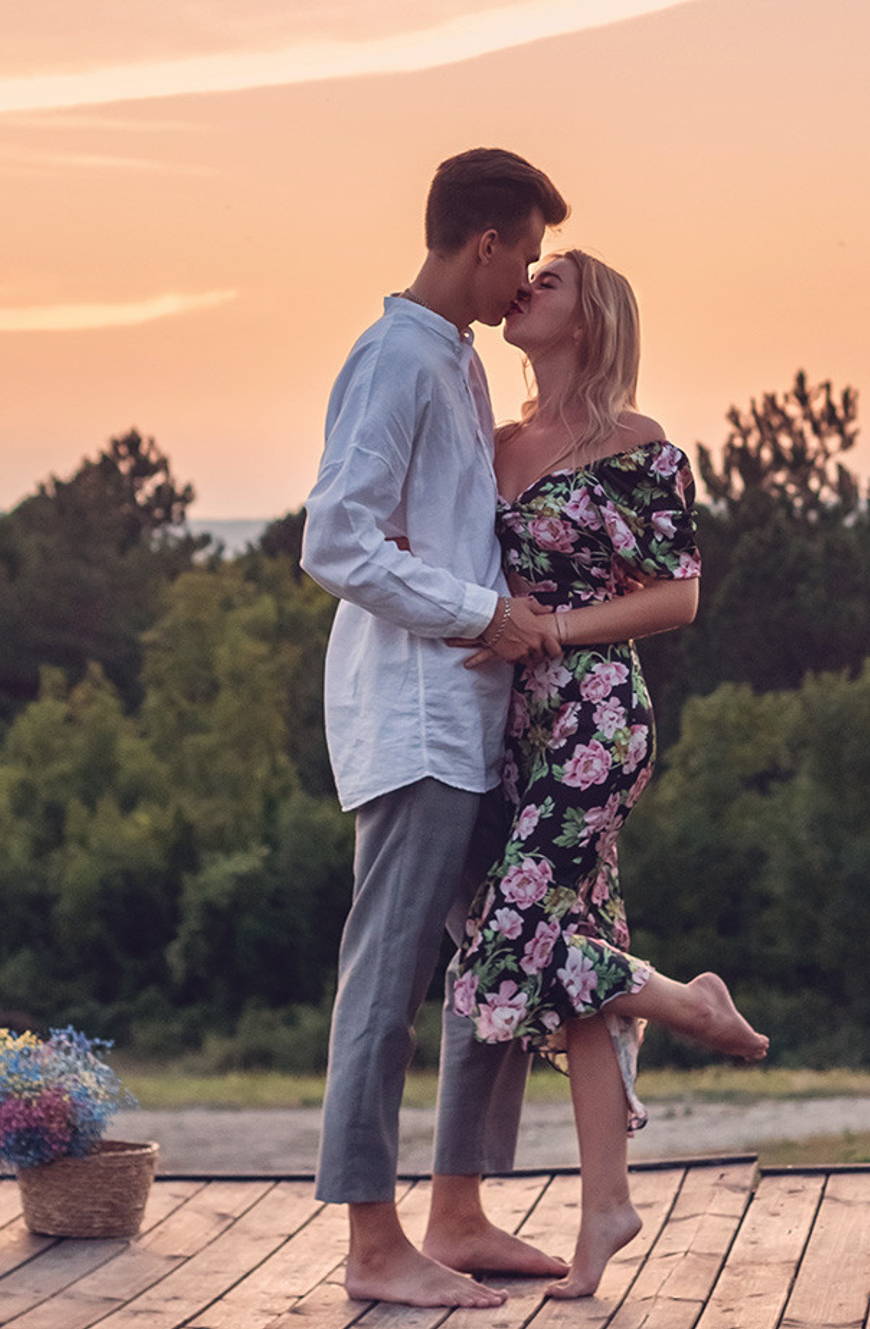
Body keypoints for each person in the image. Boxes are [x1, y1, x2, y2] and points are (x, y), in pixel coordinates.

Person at [448, 249, 770, 1299]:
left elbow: (676, 599)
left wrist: (550, 630)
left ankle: (685, 1004)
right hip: (521, 725)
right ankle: (607, 1208)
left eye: (551, 279)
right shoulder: (492, 445)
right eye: (526, 273)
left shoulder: (635, 443)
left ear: (591, 317)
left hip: (596, 711)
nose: (527, 285)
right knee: (571, 956)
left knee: (513, 933)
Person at [300, 148, 574, 1309]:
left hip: (472, 718)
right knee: (391, 972)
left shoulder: (454, 363)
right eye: (528, 254)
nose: (531, 280)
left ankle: (456, 1210)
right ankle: (373, 1241)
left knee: (496, 956)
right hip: (410, 722)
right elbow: (335, 541)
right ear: (486, 244)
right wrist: (483, 613)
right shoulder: (396, 358)